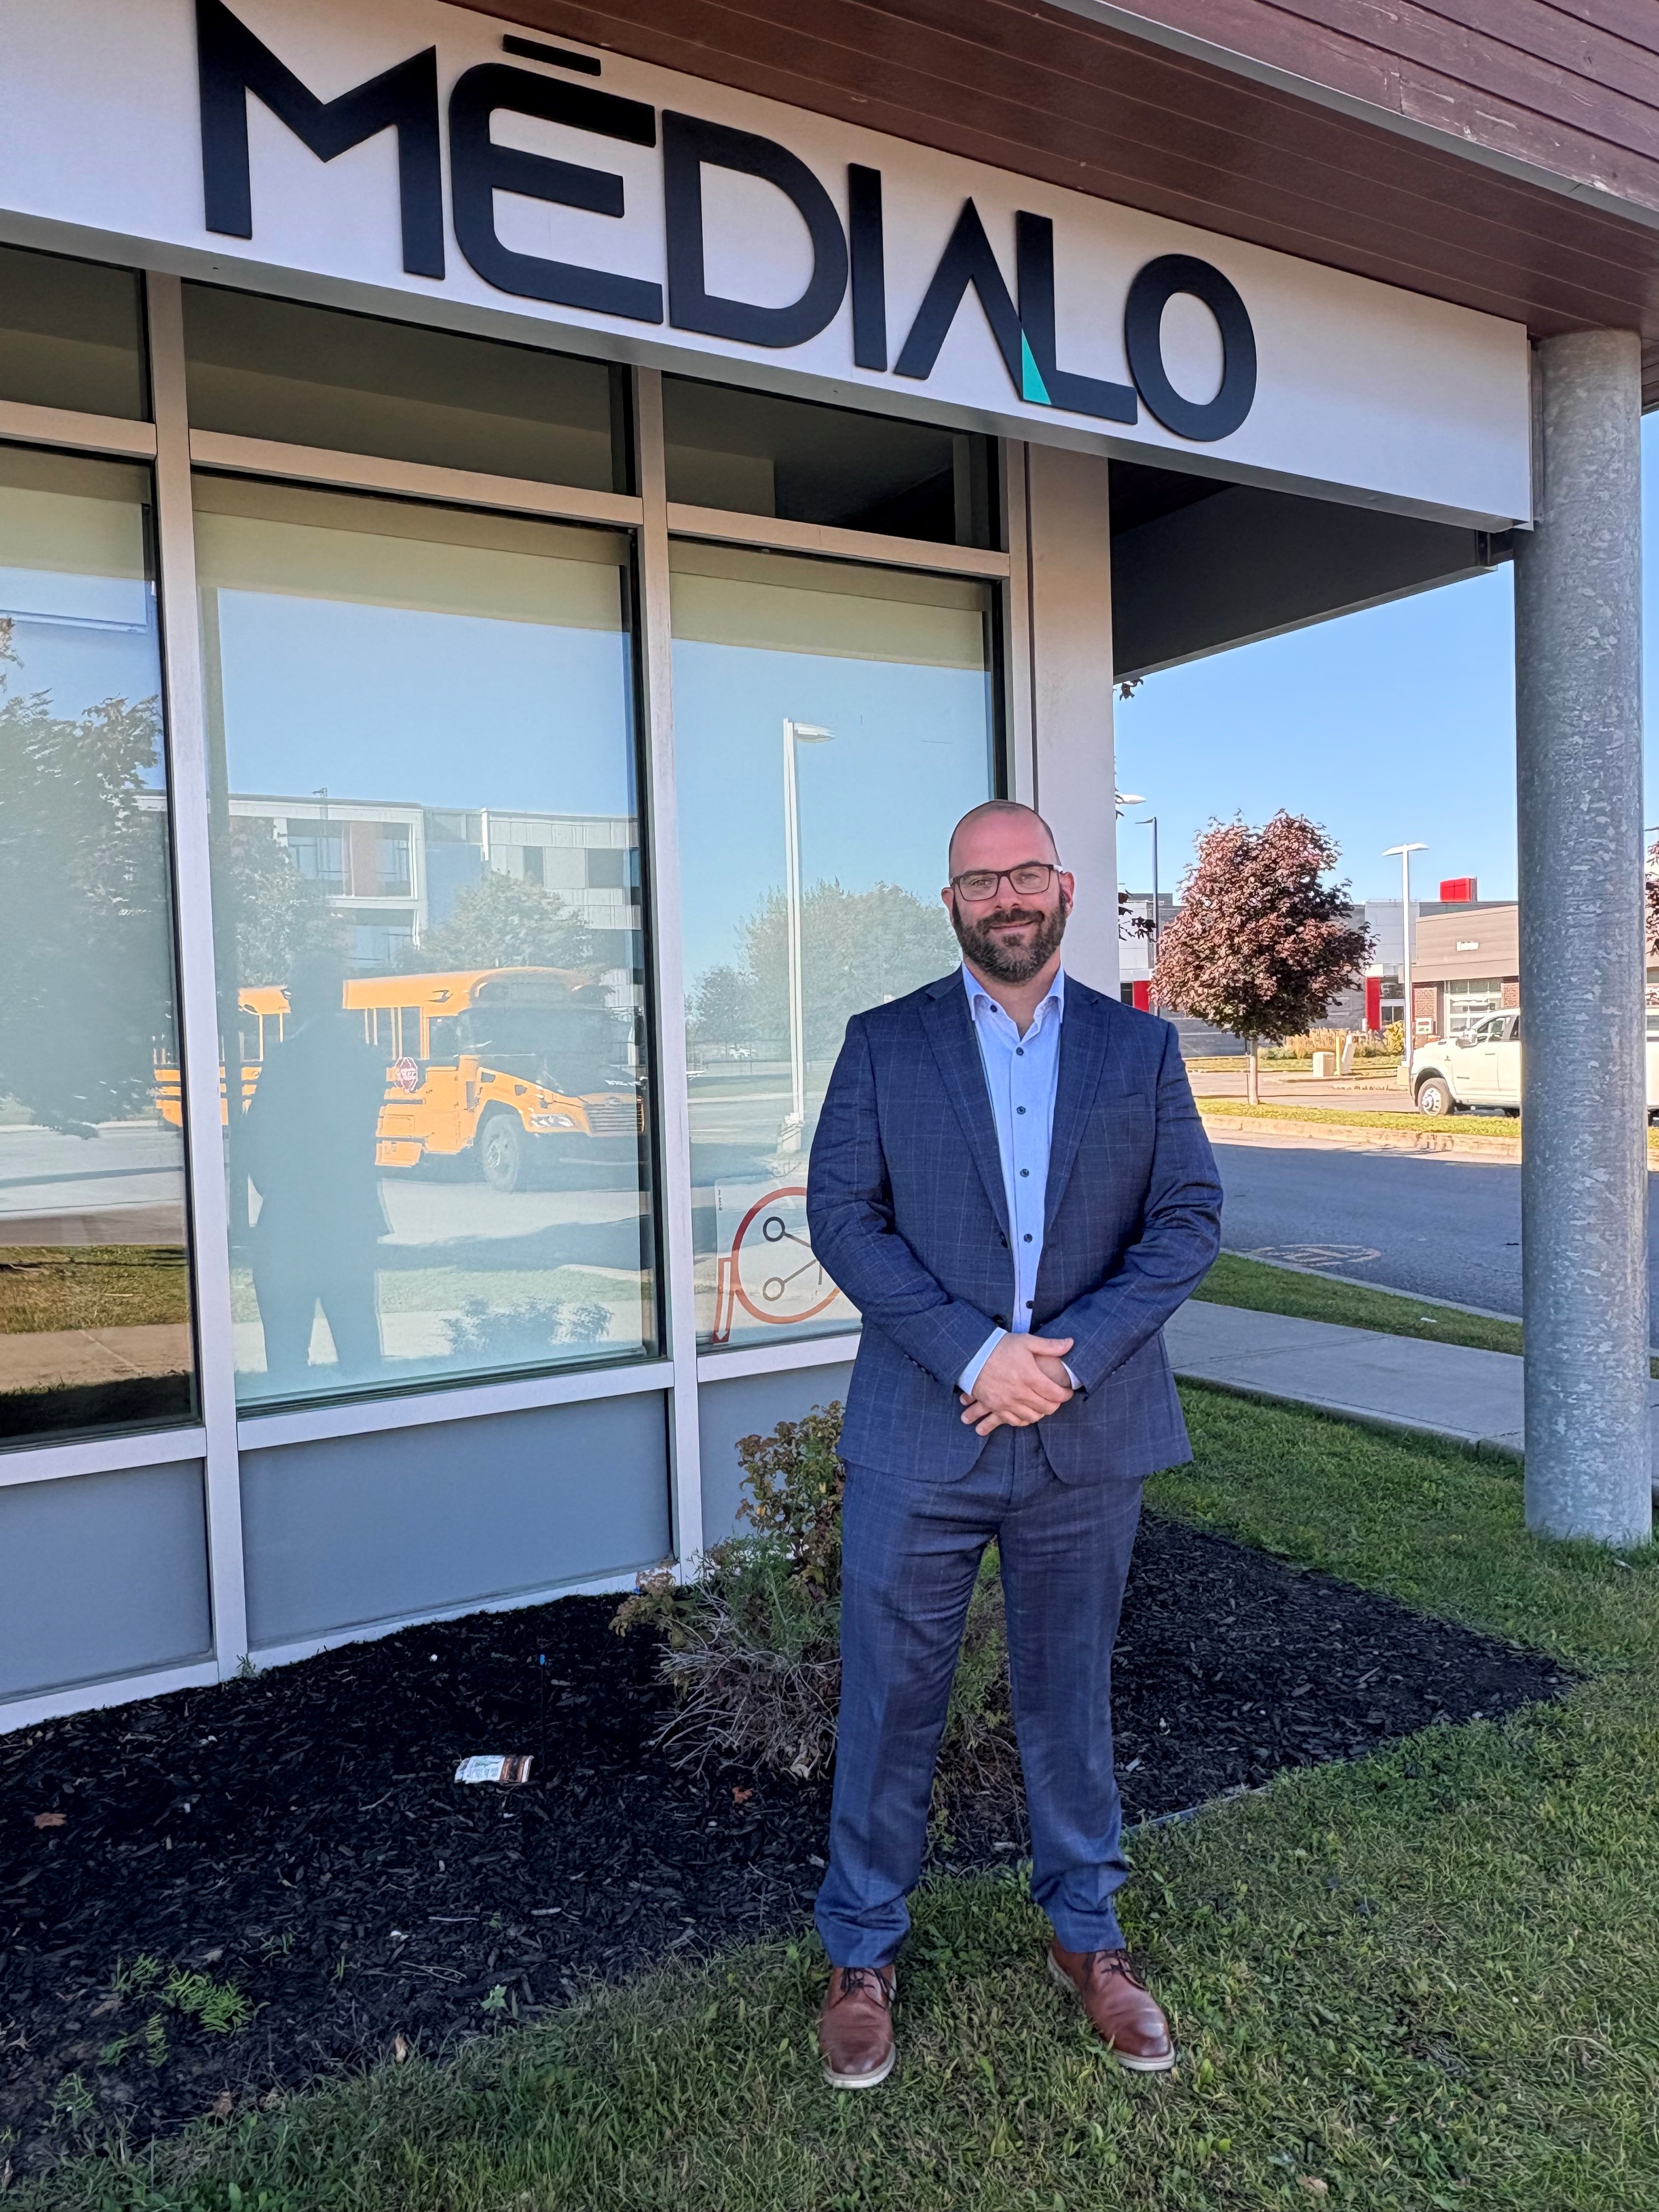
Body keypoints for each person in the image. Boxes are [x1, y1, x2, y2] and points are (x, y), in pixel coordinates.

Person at [805, 798, 1223, 2089]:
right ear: (951, 903)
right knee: (887, 1699)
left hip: (1085, 1434)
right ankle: (862, 1952)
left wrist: (1071, 1357)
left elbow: (1189, 1219)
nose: (1006, 898)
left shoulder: (1139, 1052)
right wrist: (977, 1354)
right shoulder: (886, 1045)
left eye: (1026, 873)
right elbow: (842, 1216)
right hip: (921, 1429)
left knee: (1069, 1694)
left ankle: (1086, 1937)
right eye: (980, 881)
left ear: (1067, 887)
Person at [241, 950, 390, 1388]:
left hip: (293, 1222)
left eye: (290, 992)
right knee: (359, 1348)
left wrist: (273, 1187)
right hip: (351, 1220)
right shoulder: (367, 1059)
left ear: (303, 997)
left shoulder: (288, 1058)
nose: (288, 1003)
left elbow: (257, 1135)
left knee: (287, 1355)